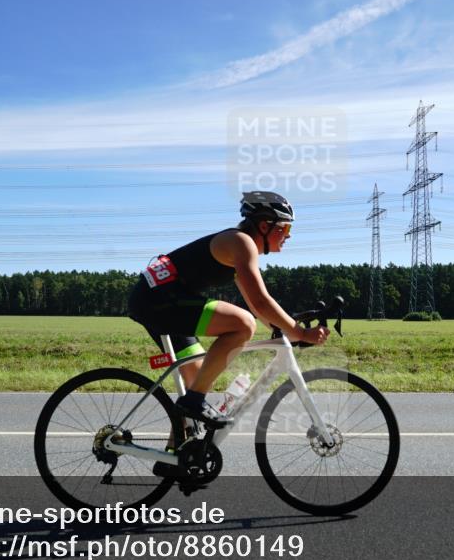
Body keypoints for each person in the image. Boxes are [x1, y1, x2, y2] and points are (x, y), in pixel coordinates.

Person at [127, 191, 329, 450]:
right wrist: (300, 332)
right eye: (285, 227)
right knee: (242, 325)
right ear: (265, 226)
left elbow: (258, 306)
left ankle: (176, 457)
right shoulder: (241, 243)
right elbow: (260, 303)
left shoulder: (238, 248)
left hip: (159, 299)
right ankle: (194, 402)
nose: (289, 235)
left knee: (198, 379)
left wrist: (285, 329)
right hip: (159, 300)